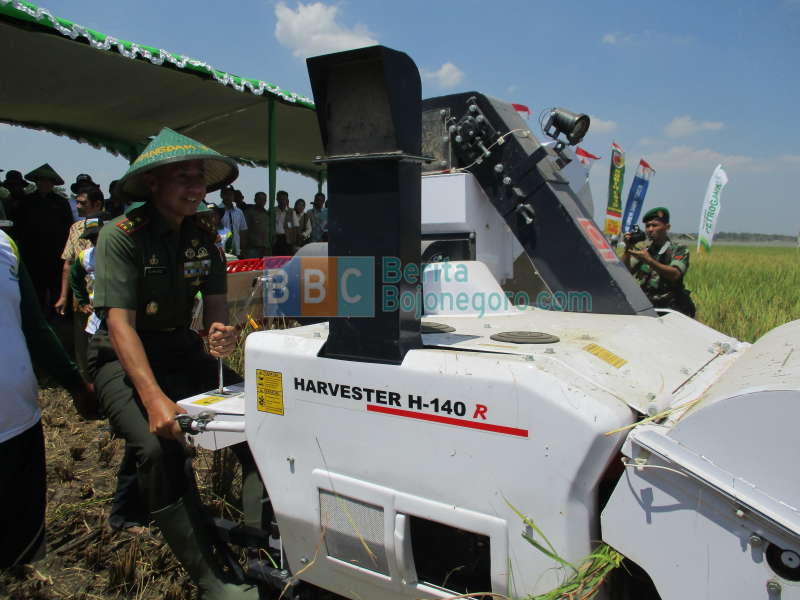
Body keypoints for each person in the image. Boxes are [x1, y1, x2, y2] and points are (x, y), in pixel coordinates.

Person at [89, 128, 258, 599]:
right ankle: (212, 577)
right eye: (182, 176)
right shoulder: (120, 237)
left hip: (182, 348)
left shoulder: (206, 239)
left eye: (200, 178)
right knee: (160, 447)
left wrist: (221, 331)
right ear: (153, 185)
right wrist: (156, 399)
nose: (195, 186)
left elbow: (217, 305)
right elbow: (120, 327)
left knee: (259, 413)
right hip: (120, 356)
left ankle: (261, 538)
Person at [0, 229, 95, 568]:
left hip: (15, 423)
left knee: (17, 551)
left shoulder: (5, 245)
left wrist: (75, 383)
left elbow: (35, 328)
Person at [13, 164, 74, 313]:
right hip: (32, 252)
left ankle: (57, 315)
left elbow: (69, 228)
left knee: (55, 286)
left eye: (48, 181)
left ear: (53, 184)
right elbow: (18, 227)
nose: (44, 184)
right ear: (36, 182)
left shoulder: (61, 202)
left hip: (56, 252)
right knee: (35, 287)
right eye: (41, 181)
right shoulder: (26, 202)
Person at [623, 206, 696, 317]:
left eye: (655, 225)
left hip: (672, 308)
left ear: (667, 227)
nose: (650, 229)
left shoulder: (679, 249)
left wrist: (650, 261)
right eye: (648, 226)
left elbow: (675, 274)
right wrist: (627, 249)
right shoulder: (645, 251)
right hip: (648, 306)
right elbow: (625, 272)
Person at [219, 186, 248, 257]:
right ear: (221, 195)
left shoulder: (239, 212)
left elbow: (243, 230)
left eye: (230, 194)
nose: (228, 197)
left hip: (237, 249)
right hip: (222, 250)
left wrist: (243, 248)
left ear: (233, 196)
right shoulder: (217, 211)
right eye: (226, 194)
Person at [243, 191, 269, 258]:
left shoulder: (267, 214)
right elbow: (244, 230)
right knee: (252, 267)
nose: (262, 201)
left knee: (264, 268)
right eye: (259, 199)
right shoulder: (249, 213)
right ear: (255, 200)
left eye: (264, 199)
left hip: (264, 247)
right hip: (252, 247)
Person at [271, 190, 290, 255]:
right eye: (280, 199)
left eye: (284, 199)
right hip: (274, 239)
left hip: (286, 239)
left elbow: (295, 228)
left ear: (287, 200)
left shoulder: (291, 212)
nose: (282, 201)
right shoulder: (272, 210)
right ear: (277, 199)